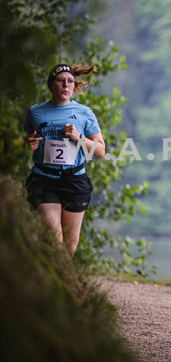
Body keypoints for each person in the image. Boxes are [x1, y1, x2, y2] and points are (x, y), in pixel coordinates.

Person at [24, 62, 106, 255]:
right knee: (53, 238)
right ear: (51, 84)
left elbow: (100, 151)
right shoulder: (35, 112)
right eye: (60, 81)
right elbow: (22, 141)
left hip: (74, 181)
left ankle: (59, 274)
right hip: (44, 180)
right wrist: (26, 144)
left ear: (74, 85)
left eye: (70, 81)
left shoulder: (84, 113)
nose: (66, 85)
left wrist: (79, 137)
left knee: (69, 244)